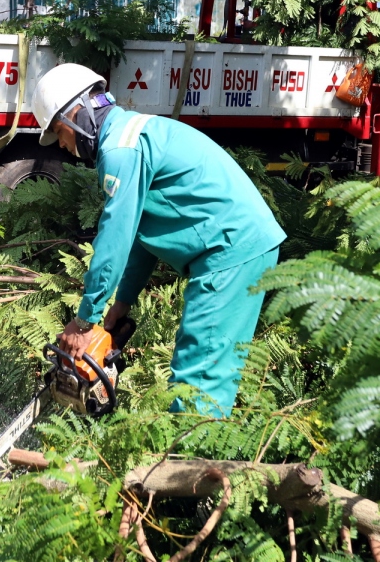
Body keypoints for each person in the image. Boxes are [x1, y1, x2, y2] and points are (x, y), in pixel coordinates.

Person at [35, 63, 286, 417]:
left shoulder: (120, 151)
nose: (63, 145)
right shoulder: (130, 134)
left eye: (60, 133)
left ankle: (190, 462)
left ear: (77, 114)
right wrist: (120, 306)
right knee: (208, 368)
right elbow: (140, 237)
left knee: (198, 378)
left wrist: (83, 322)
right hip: (239, 245)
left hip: (228, 250)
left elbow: (115, 239)